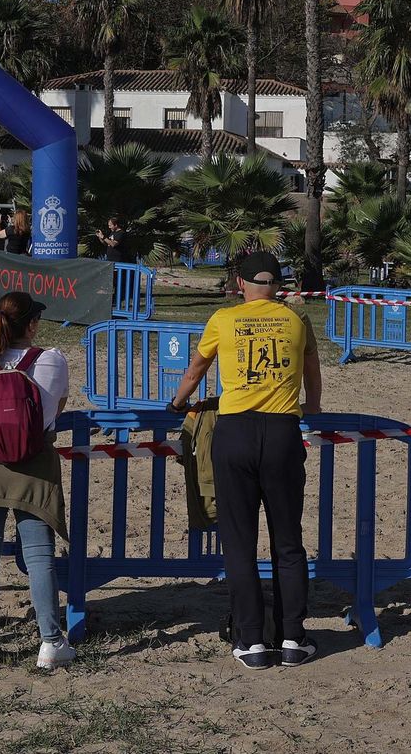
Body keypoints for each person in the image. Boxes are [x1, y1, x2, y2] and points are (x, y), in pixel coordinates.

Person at [166, 251, 322, 670]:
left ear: (241, 284)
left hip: (234, 432)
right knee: (288, 543)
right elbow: (311, 364)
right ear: (277, 285)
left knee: (239, 544)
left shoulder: (224, 319)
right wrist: (315, 405)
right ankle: (292, 637)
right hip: (283, 432)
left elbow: (197, 367)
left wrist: (179, 402)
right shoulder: (296, 319)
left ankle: (250, 640)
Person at [0, 292, 76, 670]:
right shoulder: (52, 360)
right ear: (33, 325)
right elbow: (58, 408)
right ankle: (50, 642)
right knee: (40, 553)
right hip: (35, 458)